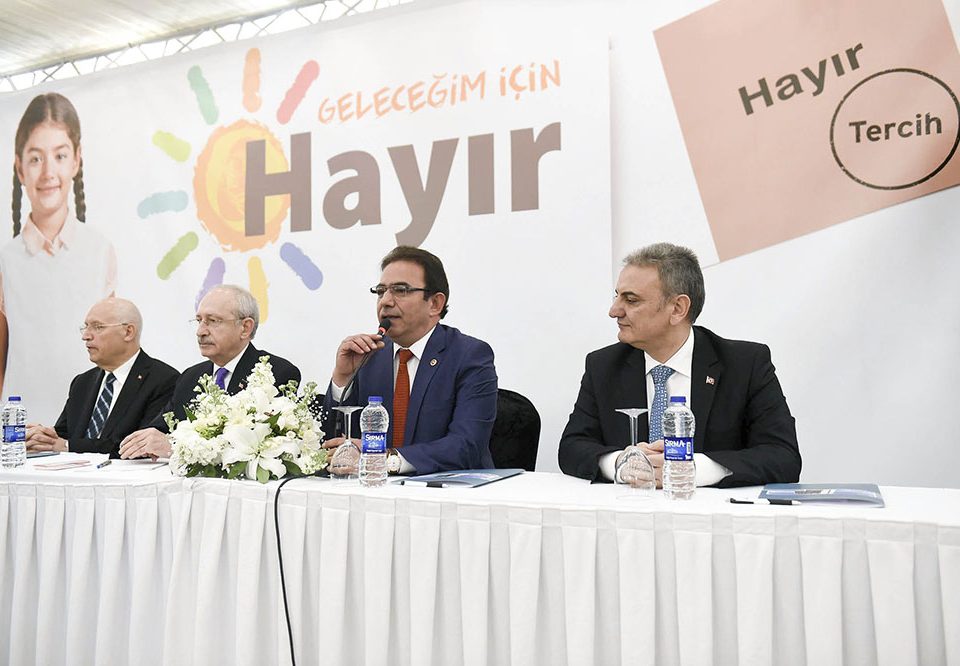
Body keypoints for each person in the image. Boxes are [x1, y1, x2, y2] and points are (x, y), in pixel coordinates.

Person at [558, 242, 801, 488]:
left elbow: (783, 457)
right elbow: (572, 447)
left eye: (631, 300)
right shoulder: (604, 366)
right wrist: (623, 463)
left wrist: (688, 469)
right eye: (617, 296)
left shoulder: (744, 365)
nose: (614, 311)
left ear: (677, 309)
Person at [323, 246, 497, 475]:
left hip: (448, 490)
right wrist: (343, 378)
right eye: (380, 291)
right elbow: (332, 441)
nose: (385, 301)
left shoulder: (469, 356)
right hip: (372, 489)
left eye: (400, 290)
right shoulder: (368, 356)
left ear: (435, 304)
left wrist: (387, 460)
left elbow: (466, 445)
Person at [1, 92, 117, 424]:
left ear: (76, 160)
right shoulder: (5, 259)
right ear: (19, 167)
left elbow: (113, 349)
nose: (48, 172)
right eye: (35, 158)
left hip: (86, 422)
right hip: (19, 423)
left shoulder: (100, 249)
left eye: (60, 155)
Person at [118, 284, 300, 459]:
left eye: (213, 321)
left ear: (245, 327)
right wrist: (146, 442)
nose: (200, 331)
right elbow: (160, 430)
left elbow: (261, 446)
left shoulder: (276, 373)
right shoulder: (190, 378)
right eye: (199, 321)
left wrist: (177, 446)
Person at [24, 298, 177, 457]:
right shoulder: (82, 382)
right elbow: (64, 434)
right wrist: (43, 436)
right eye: (85, 327)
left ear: (128, 332)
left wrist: (67, 445)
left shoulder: (163, 380)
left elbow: (139, 446)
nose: (86, 336)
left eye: (97, 327)